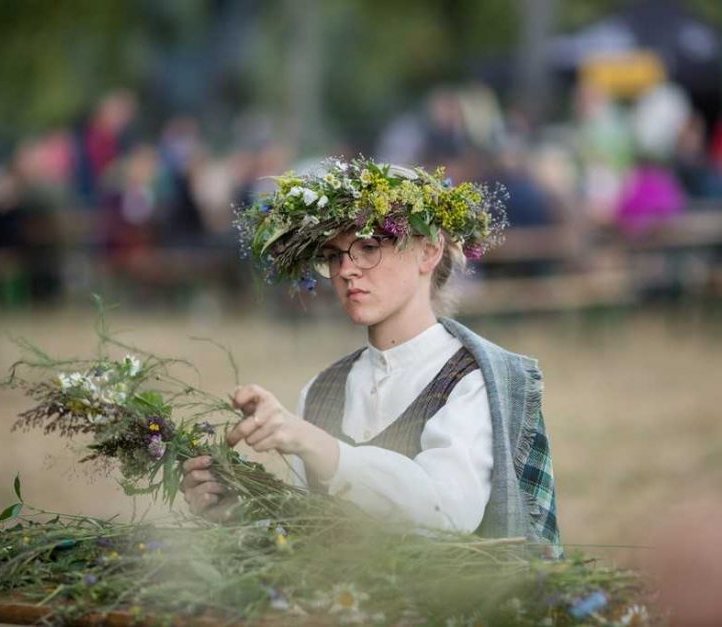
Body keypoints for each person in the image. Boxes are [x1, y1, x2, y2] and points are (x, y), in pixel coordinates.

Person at [179, 158, 561, 554]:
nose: (346, 270)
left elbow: (447, 515)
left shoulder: (474, 380)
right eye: (333, 256)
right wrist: (234, 510)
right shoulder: (321, 390)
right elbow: (304, 537)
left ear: (429, 252)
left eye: (367, 247)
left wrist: (322, 448)